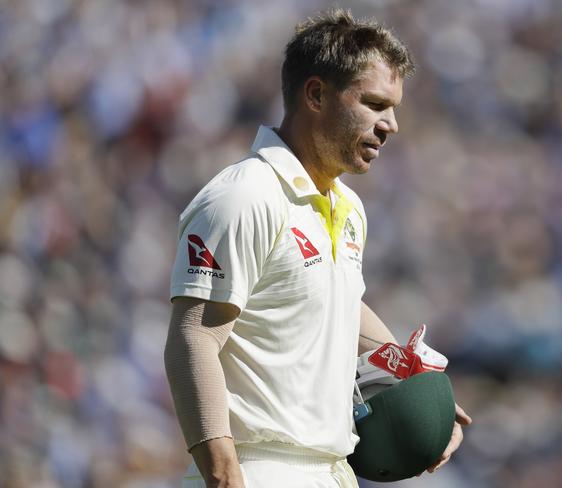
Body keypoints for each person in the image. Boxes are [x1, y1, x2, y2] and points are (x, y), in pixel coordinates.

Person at [164, 9, 471, 488]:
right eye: (373, 103)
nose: (390, 124)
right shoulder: (245, 196)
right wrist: (224, 476)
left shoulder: (347, 206)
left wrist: (417, 386)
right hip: (259, 467)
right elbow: (193, 340)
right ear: (315, 94)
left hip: (332, 469)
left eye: (393, 108)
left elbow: (338, 304)